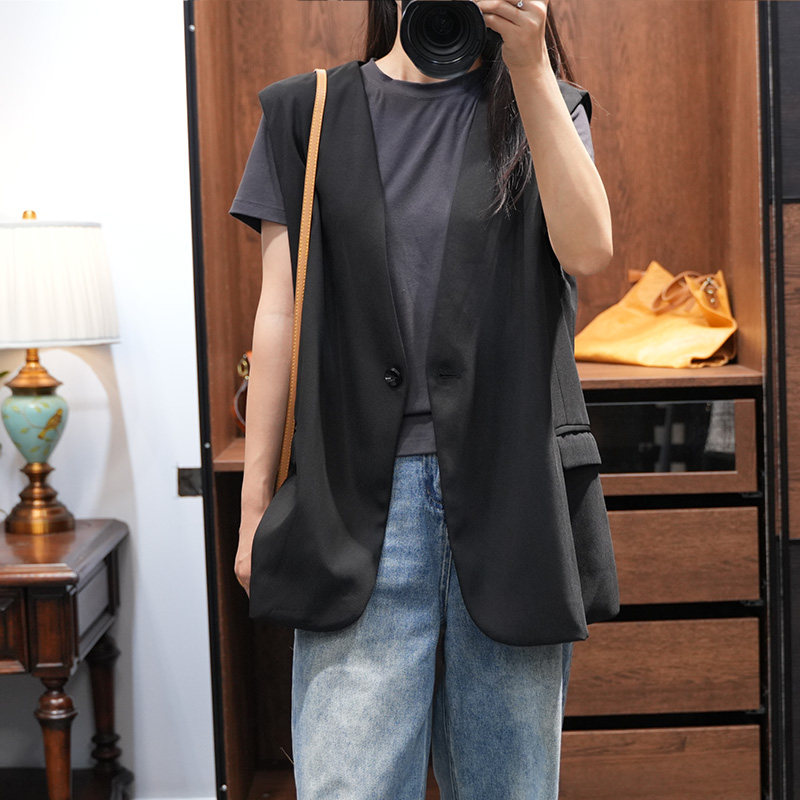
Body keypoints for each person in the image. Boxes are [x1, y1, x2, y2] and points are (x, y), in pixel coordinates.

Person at [229, 1, 619, 798]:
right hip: (353, 510)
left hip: (511, 501)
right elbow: (279, 315)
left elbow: (588, 250)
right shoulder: (305, 113)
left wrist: (531, 66)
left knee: (509, 786)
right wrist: (255, 503)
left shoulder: (544, 105)